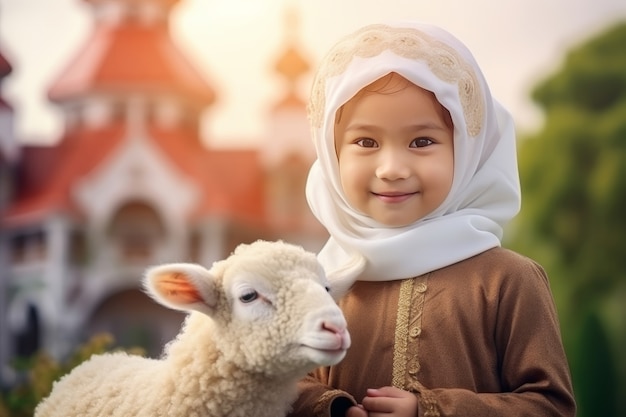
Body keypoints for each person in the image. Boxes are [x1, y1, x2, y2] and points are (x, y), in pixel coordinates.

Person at [288, 21, 576, 417]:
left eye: (422, 142)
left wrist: (432, 410)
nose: (391, 168)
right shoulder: (317, 282)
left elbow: (551, 405)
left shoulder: (507, 281)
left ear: (468, 149)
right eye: (366, 142)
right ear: (331, 152)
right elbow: (279, 383)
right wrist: (329, 407)